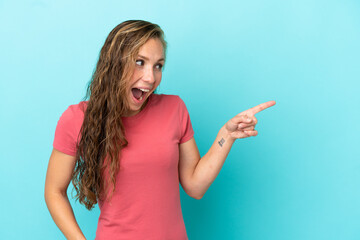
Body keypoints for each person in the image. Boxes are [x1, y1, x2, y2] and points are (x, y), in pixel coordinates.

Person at [44, 20, 276, 240]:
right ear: (115, 63)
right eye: (139, 62)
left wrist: (227, 135)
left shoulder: (174, 109)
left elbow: (195, 186)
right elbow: (54, 191)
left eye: (158, 66)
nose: (150, 77)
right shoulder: (78, 119)